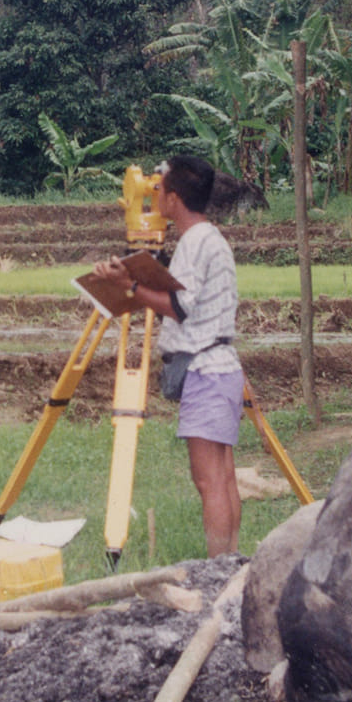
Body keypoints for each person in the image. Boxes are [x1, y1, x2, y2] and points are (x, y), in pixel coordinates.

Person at [93, 154, 242, 556]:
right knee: (223, 477)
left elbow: (179, 307)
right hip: (220, 368)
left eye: (159, 188)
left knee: (209, 480)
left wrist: (128, 287)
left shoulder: (195, 241)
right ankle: (227, 565)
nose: (154, 194)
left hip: (207, 371)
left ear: (173, 198)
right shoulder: (209, 238)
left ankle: (218, 569)